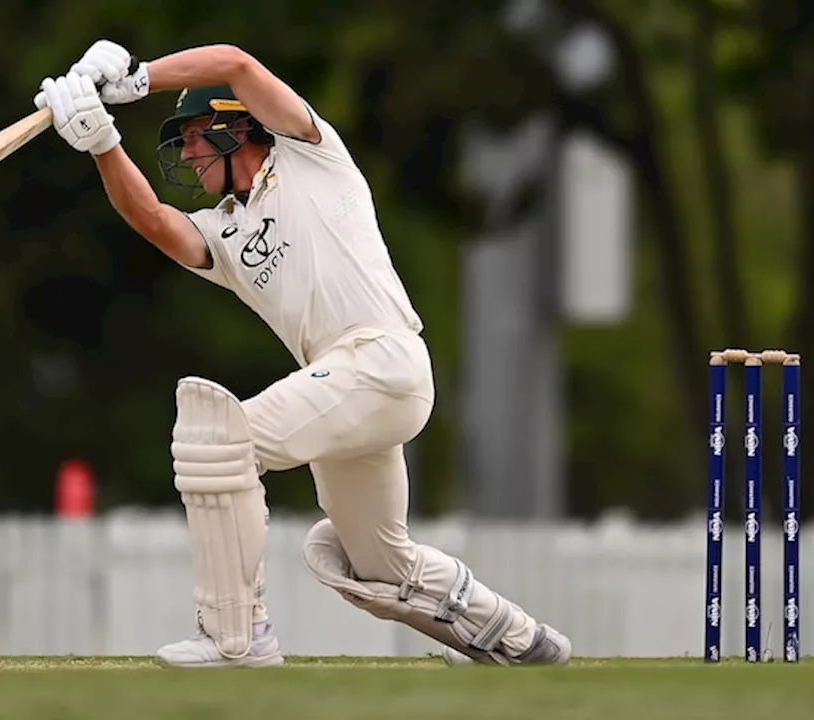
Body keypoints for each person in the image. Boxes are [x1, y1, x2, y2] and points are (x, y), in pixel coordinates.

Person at [33, 40, 572, 668]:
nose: (183, 153)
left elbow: (235, 63)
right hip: (351, 389)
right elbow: (153, 218)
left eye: (192, 136)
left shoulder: (310, 155)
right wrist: (102, 142)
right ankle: (518, 640)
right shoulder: (224, 231)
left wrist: (140, 80)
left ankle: (236, 636)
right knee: (375, 566)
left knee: (219, 442)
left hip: (381, 359)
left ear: (237, 127)